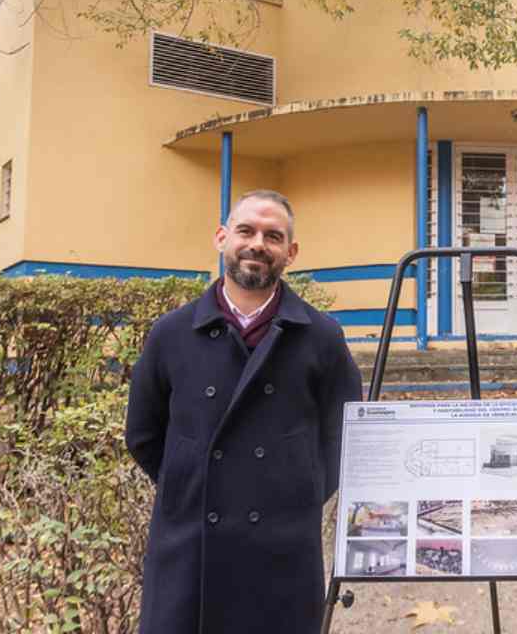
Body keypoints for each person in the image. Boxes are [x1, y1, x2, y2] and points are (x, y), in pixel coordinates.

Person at [125, 189, 363, 634]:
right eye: (246, 230)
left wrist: (297, 491)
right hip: (189, 545)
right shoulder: (171, 333)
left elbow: (345, 438)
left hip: (282, 548)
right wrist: (193, 483)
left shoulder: (322, 337)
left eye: (273, 236)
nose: (257, 243)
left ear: (290, 253)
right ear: (221, 238)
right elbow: (143, 433)